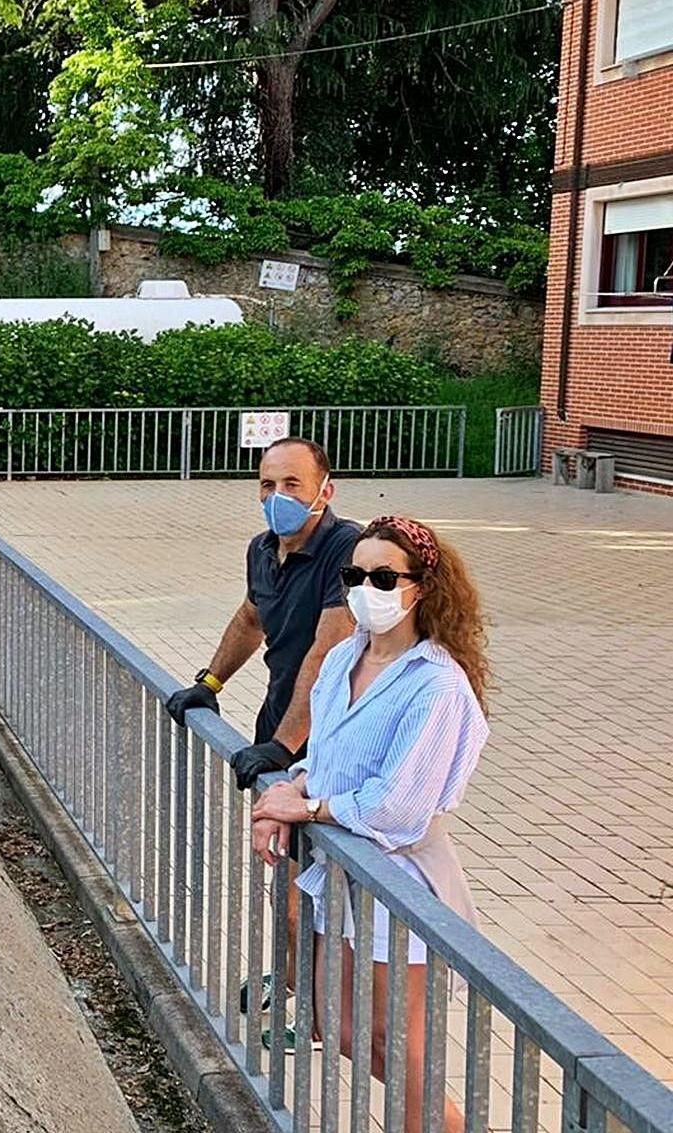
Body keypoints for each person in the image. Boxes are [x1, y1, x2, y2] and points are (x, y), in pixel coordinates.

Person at [251, 515, 488, 1133]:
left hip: (399, 883)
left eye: (384, 576)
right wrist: (289, 788)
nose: (365, 587)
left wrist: (305, 810)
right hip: (342, 878)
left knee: (394, 1041)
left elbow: (399, 807)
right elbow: (326, 759)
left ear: (422, 587)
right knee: (343, 1026)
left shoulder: (436, 685)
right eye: (354, 574)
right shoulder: (342, 659)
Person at [165, 437, 358, 788]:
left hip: (330, 735)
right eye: (268, 485)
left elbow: (328, 654)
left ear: (326, 491)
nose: (277, 496)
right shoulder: (262, 548)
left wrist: (285, 746)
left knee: (319, 839)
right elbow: (250, 619)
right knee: (270, 839)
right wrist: (209, 683)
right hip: (278, 718)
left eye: (292, 484)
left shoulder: (348, 549)